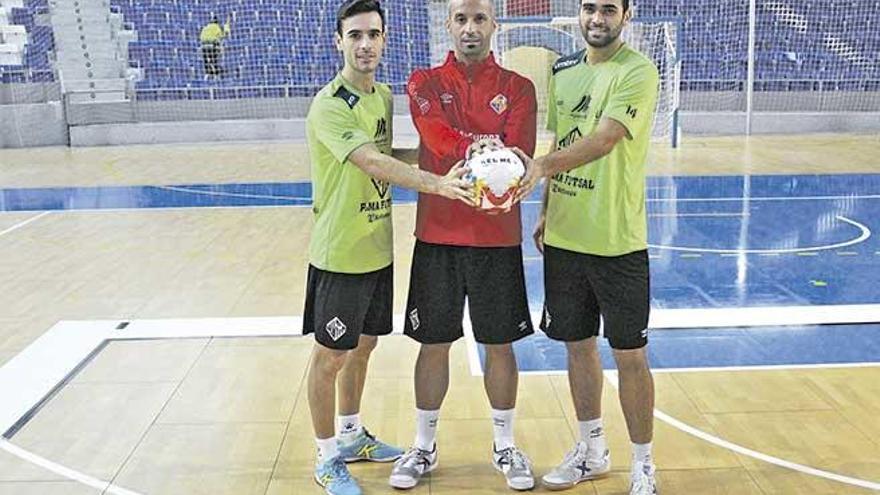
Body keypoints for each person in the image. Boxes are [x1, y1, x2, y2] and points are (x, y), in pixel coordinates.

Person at [303, 1, 475, 494]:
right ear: (339, 41)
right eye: (355, 35)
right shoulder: (331, 103)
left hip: (377, 248)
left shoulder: (379, 95)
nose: (365, 45)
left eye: (373, 35)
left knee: (363, 346)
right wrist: (436, 183)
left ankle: (352, 434)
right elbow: (371, 163)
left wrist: (451, 154)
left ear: (384, 39)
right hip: (341, 253)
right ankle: (325, 456)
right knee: (330, 356)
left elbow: (389, 153)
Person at [389, 0, 538, 491]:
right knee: (433, 344)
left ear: (494, 26)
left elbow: (519, 150)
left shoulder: (519, 88)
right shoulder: (424, 82)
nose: (470, 28)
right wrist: (475, 148)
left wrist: (495, 159)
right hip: (438, 236)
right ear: (449, 25)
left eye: (479, 19)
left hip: (496, 238)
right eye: (461, 19)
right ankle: (423, 446)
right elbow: (434, 133)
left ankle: (505, 445)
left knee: (499, 344)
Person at [518, 0, 661, 493]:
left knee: (630, 354)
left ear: (627, 14)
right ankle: (591, 449)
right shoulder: (563, 71)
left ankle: (643, 463)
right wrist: (544, 210)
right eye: (587, 8)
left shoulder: (638, 72)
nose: (596, 19)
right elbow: (563, 134)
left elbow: (603, 139)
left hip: (617, 241)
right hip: (566, 238)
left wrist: (540, 166)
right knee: (577, 347)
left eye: (607, 9)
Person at [200, 15, 230, 80]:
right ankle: (215, 74)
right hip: (212, 46)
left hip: (204, 46)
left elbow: (201, 37)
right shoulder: (217, 27)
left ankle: (207, 74)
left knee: (206, 60)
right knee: (214, 60)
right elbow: (222, 36)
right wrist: (226, 28)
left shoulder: (205, 27)